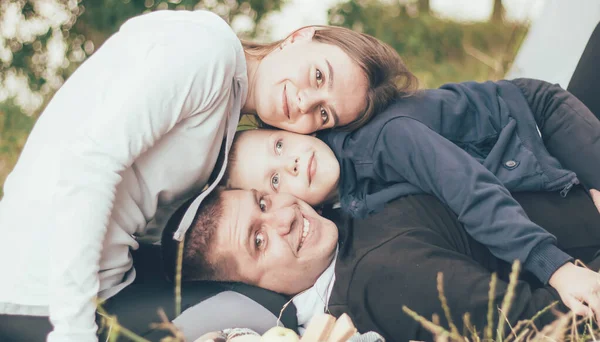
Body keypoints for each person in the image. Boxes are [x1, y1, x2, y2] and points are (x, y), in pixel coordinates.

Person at [0, 9, 415, 341]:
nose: (306, 101)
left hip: (101, 280)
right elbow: (88, 165)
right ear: (300, 36)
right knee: (264, 313)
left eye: (324, 113)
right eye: (318, 75)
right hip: (48, 296)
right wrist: (72, 331)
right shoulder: (208, 51)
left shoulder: (228, 111)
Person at [223, 78, 600, 315]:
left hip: (535, 116)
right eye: (273, 182)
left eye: (278, 144)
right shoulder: (343, 202)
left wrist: (556, 269)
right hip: (514, 158)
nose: (289, 164)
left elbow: (469, 191)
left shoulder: (380, 142)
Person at [161, 186, 600, 341]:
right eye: (258, 240)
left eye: (264, 200)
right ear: (256, 286)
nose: (284, 216)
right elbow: (549, 327)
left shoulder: (342, 214)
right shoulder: (380, 279)